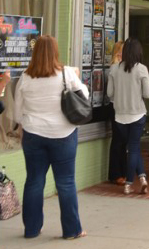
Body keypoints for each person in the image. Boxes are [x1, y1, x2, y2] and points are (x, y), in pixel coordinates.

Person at [13, 35, 87, 240]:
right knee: (66, 182)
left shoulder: (25, 77)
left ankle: (32, 229)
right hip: (63, 134)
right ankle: (72, 230)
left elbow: (18, 113)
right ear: (55, 52)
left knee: (34, 181)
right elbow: (85, 97)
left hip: (33, 135)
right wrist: (77, 75)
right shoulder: (66, 74)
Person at [107, 37, 149, 195]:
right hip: (137, 114)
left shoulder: (114, 69)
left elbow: (109, 93)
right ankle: (129, 183)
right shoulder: (141, 69)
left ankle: (142, 177)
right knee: (133, 148)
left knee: (133, 147)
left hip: (120, 116)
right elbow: (147, 93)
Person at [108, 41, 127, 185]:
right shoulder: (115, 68)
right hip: (116, 107)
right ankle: (116, 173)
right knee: (118, 141)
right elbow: (110, 93)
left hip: (121, 107)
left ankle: (122, 171)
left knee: (122, 141)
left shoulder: (124, 67)